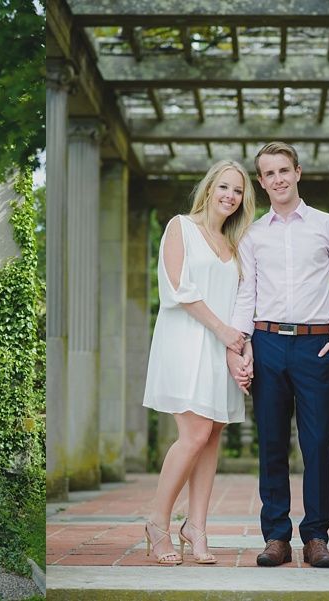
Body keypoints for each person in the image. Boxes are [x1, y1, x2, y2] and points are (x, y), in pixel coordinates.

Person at [228, 141, 329, 569]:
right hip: (266, 343)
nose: (278, 179)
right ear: (261, 182)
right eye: (269, 173)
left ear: (298, 172)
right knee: (271, 442)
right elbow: (246, 296)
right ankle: (276, 537)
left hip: (315, 345)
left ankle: (316, 536)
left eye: (284, 170)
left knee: (318, 442)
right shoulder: (252, 234)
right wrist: (241, 347)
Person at [142, 159, 256, 565]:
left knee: (212, 435)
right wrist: (223, 331)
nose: (230, 196)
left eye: (238, 191)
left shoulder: (236, 244)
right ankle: (157, 522)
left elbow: (244, 302)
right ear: (209, 188)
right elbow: (178, 288)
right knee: (194, 433)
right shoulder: (181, 227)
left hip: (222, 350)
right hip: (186, 342)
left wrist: (241, 346)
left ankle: (197, 527)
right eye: (224, 186)